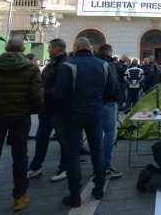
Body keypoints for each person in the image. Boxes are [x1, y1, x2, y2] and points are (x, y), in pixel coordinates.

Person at [0, 37, 44, 215]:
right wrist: (34, 110)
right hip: (21, 117)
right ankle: (20, 197)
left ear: (6, 48)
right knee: (20, 157)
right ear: (22, 50)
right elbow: (37, 94)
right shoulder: (31, 67)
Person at [51, 37, 115, 207]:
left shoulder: (68, 66)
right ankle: (99, 188)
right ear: (90, 48)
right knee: (97, 149)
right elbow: (112, 90)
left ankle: (75, 194)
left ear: (77, 47)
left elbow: (58, 95)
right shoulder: (104, 65)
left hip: (73, 115)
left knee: (72, 153)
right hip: (95, 113)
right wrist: (98, 102)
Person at [27, 38, 70, 183]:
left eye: (49, 48)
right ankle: (35, 166)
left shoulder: (64, 64)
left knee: (63, 139)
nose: (48, 50)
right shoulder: (52, 63)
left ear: (56, 49)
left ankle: (65, 167)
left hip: (58, 108)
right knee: (41, 137)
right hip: (47, 108)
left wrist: (42, 93)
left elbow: (60, 89)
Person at [96, 44, 123, 178]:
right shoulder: (109, 64)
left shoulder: (95, 63)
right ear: (108, 52)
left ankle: (97, 167)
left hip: (94, 103)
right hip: (107, 103)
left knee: (97, 135)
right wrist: (114, 98)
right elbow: (113, 85)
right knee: (110, 135)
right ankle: (105, 166)